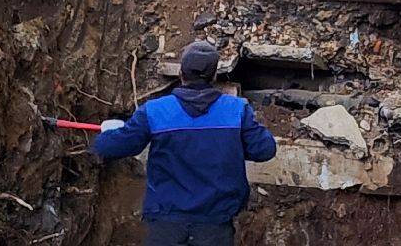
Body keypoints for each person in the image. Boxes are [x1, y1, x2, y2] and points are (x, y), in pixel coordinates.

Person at [93, 40, 277, 245]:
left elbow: (108, 147)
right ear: (214, 76)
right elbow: (265, 149)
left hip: (166, 225)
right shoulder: (236, 110)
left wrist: (110, 132)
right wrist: (233, 142)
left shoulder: (155, 111)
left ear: (181, 73)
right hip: (215, 226)